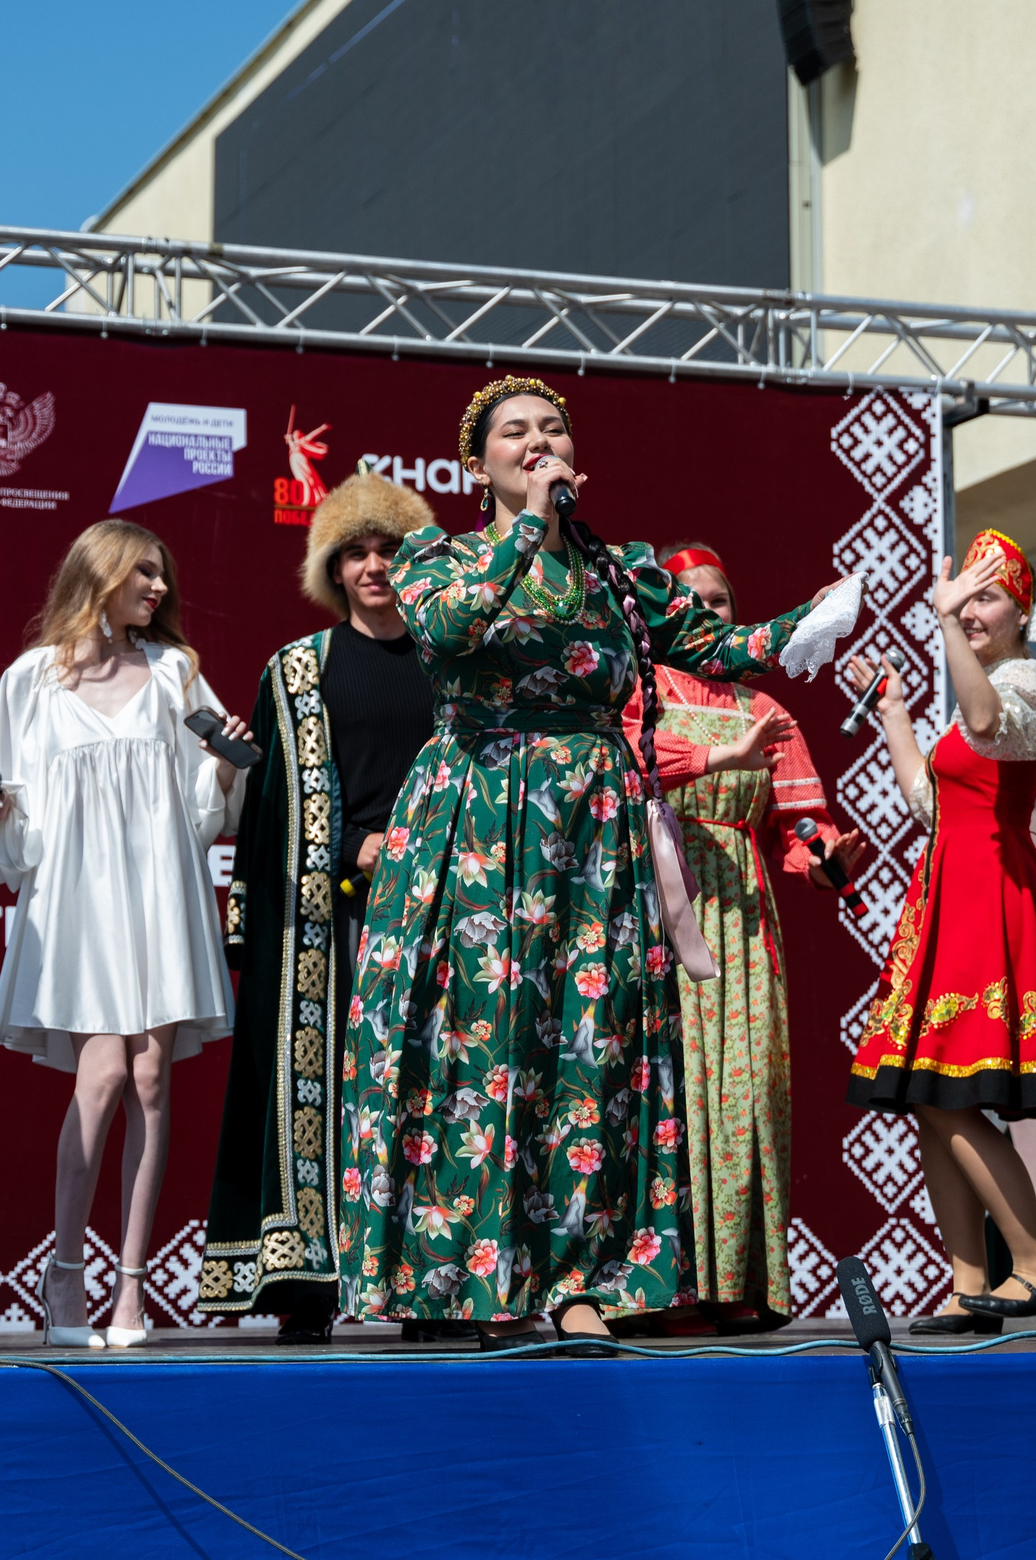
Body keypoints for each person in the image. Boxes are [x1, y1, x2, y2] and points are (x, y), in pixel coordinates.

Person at [340, 376, 840, 1350]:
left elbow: (716, 646)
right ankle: (467, 1277)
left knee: (589, 1043)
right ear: (476, 466)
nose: (539, 442)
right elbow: (448, 631)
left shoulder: (618, 572)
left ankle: (577, 1282)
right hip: (478, 823)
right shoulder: (439, 556)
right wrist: (530, 526)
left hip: (592, 828)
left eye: (553, 429)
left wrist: (806, 624)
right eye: (515, 433)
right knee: (481, 1040)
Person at [0, 521, 256, 1349]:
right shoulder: (32, 679)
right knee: (106, 1071)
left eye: (163, 574)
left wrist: (228, 763)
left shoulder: (174, 672)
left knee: (150, 1078)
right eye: (143, 572)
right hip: (79, 899)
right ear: (100, 573)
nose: (159, 588)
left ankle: (131, 1292)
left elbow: (204, 805)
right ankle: (65, 1274)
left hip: (159, 892)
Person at [206, 467, 439, 1343]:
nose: (374, 566)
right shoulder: (298, 669)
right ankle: (309, 1285)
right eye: (356, 552)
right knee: (327, 1091)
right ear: (332, 569)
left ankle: (433, 1285)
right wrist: (353, 849)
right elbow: (269, 808)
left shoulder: (455, 664)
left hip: (447, 907)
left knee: (437, 1088)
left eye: (390, 549)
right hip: (333, 916)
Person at [844, 531, 1036, 1335]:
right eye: (965, 597)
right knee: (929, 1097)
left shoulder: (1033, 682)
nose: (972, 610)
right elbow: (930, 803)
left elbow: (985, 720)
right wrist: (893, 712)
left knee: (951, 1091)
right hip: (949, 893)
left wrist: (944, 621)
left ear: (1021, 612)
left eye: (988, 598)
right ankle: (968, 1283)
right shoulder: (979, 690)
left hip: (990, 896)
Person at [625, 543, 867, 1335]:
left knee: (745, 1090)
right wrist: (706, 760)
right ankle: (648, 1285)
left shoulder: (767, 710)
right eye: (687, 600)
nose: (705, 611)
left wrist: (824, 861)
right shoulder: (632, 695)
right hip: (654, 907)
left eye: (719, 601)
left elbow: (802, 826)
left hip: (740, 913)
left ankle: (735, 1281)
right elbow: (622, 770)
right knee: (660, 1086)